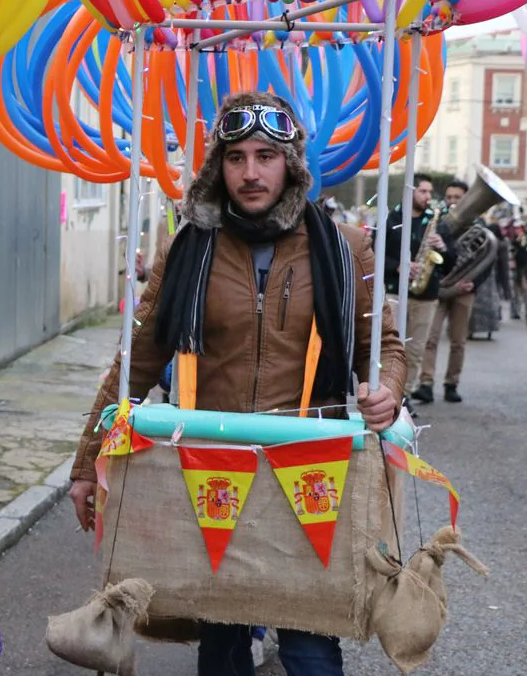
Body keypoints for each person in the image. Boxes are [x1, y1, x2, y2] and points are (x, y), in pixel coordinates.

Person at [68, 91, 406, 676]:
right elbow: (135, 365)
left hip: (310, 475)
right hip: (211, 473)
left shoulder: (348, 249)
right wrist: (84, 465)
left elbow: (386, 351)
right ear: (217, 167)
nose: (250, 172)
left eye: (266, 156)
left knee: (309, 648)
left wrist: (388, 391)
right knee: (221, 642)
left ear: (291, 164)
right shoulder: (187, 249)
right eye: (235, 157)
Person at [385, 174, 457, 406]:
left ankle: (404, 396)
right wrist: (398, 266)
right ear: (410, 191)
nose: (427, 197)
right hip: (395, 291)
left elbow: (451, 261)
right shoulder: (392, 218)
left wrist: (443, 247)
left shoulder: (438, 222)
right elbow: (374, 251)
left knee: (416, 350)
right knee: (392, 348)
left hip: (426, 295)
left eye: (429, 192)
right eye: (422, 191)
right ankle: (389, 396)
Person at [417, 180, 490, 403]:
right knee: (430, 338)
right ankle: (426, 383)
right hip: (439, 288)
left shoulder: (479, 226)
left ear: (467, 198)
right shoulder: (438, 223)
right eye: (449, 197)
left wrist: (472, 284)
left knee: (458, 341)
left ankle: (451, 383)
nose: (452, 202)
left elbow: (487, 260)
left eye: (457, 198)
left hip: (464, 290)